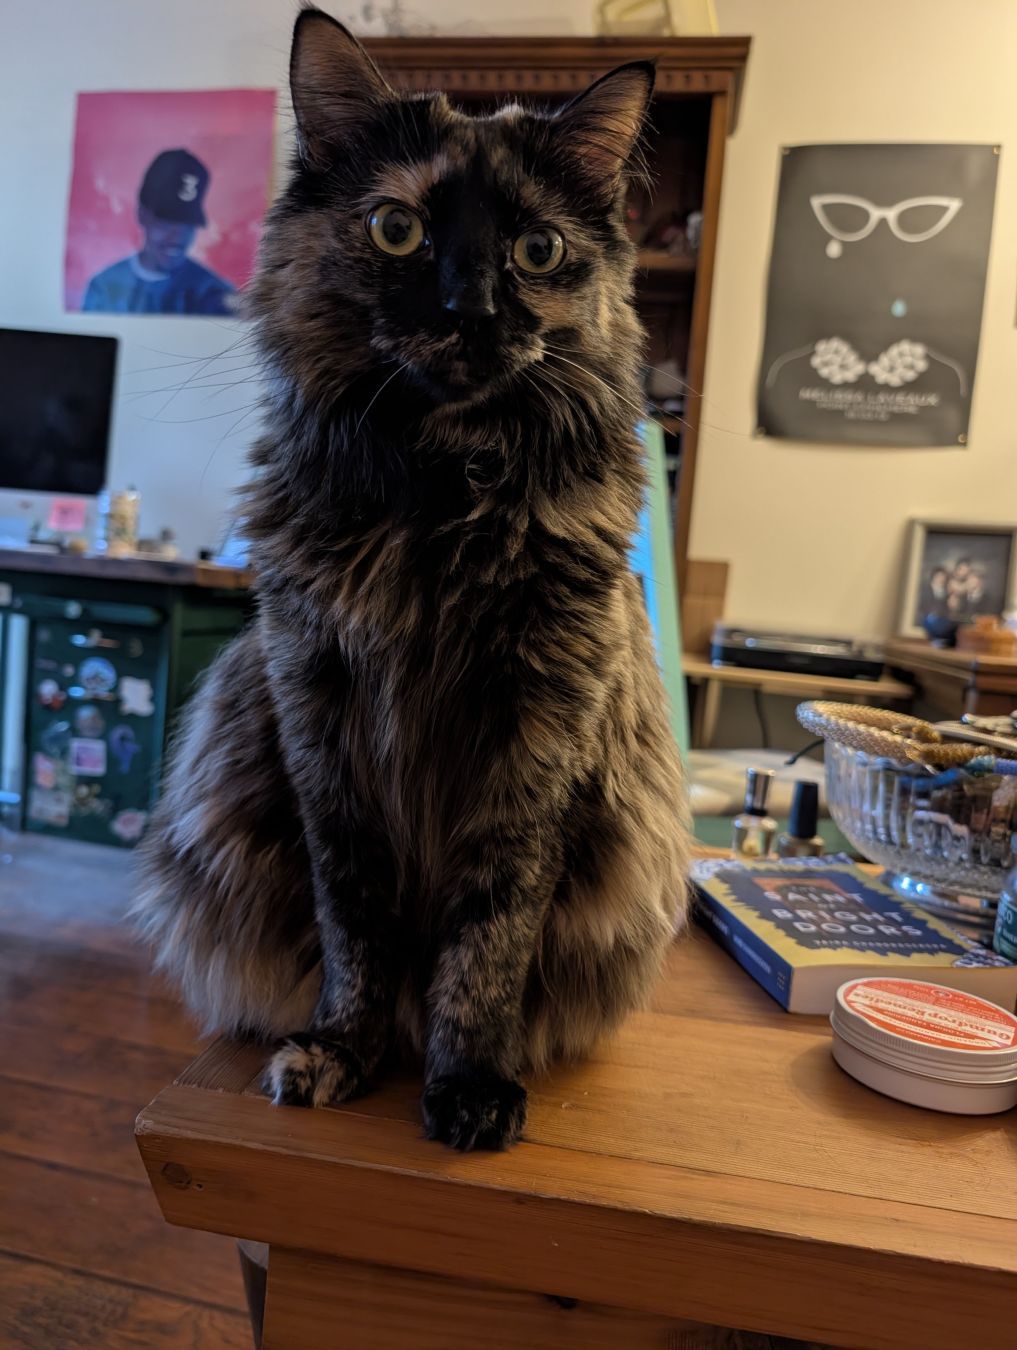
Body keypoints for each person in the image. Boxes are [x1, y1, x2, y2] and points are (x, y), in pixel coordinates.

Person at [82, 149, 236, 316]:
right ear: (142, 214)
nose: (177, 237)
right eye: (167, 222)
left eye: (187, 224)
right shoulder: (103, 287)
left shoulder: (214, 294)